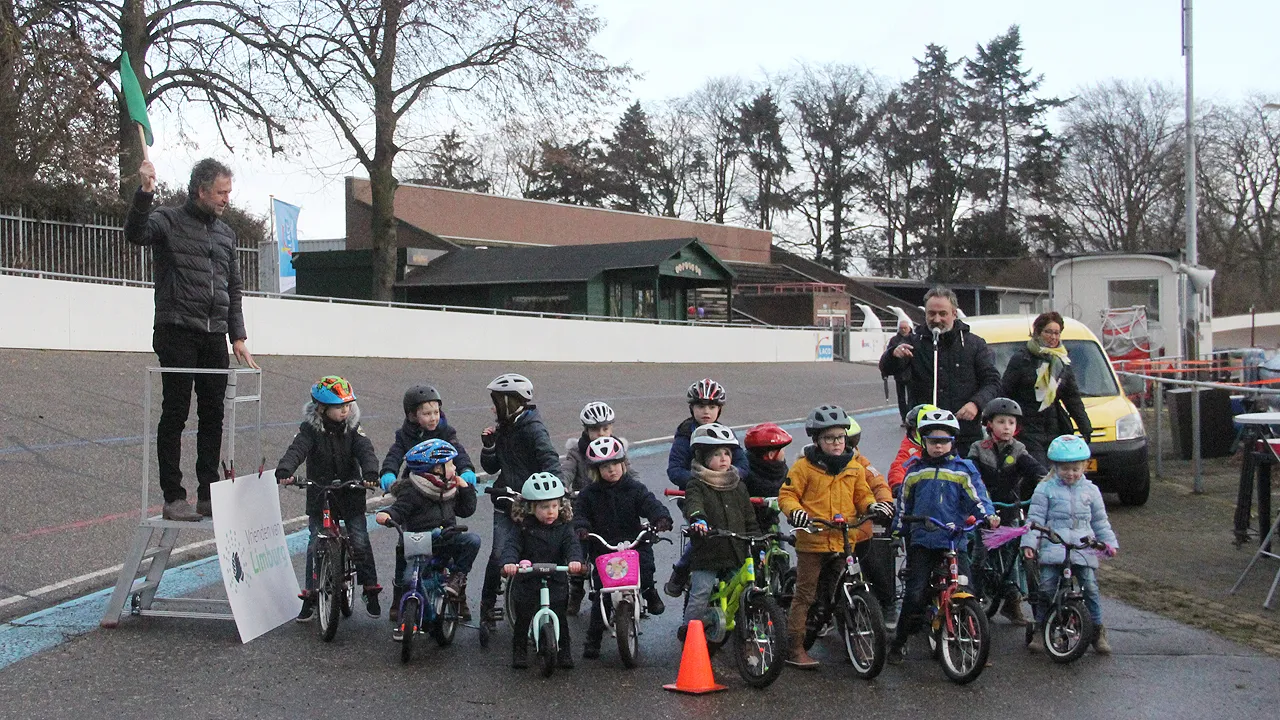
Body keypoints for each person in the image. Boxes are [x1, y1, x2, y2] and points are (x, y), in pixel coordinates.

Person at [125, 159, 258, 522]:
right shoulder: (167, 220)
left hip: (214, 334)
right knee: (176, 412)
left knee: (213, 413)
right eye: (221, 192)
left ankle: (208, 494)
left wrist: (238, 336)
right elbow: (135, 233)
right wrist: (145, 193)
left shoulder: (226, 234)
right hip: (176, 328)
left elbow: (233, 287)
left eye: (229, 193)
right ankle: (173, 496)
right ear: (200, 190)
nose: (226, 199)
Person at [779, 406, 892, 667]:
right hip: (814, 540)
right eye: (829, 438)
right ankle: (794, 648)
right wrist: (796, 513)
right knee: (805, 595)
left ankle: (854, 639)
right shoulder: (803, 467)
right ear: (817, 440)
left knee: (841, 592)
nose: (837, 443)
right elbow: (787, 495)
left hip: (844, 540)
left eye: (840, 437)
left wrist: (871, 507)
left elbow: (862, 494)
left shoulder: (853, 467)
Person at [888, 408, 998, 664]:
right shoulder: (914, 471)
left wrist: (987, 516)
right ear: (923, 441)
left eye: (944, 441)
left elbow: (977, 497)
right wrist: (897, 532)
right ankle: (899, 641)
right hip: (923, 541)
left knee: (967, 588)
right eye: (933, 441)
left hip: (953, 539)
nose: (938, 446)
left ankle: (974, 643)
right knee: (915, 593)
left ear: (953, 442)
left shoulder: (962, 470)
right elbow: (904, 505)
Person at [275, 376, 381, 621]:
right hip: (320, 494)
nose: (345, 410)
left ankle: (370, 588)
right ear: (322, 408)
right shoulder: (310, 430)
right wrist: (285, 470)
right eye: (338, 406)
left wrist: (371, 474)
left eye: (347, 405)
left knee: (360, 539)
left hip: (350, 493)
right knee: (315, 542)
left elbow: (366, 451)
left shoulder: (354, 429)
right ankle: (311, 595)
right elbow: (297, 449)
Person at [573, 436, 674, 658]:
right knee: (602, 594)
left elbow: (650, 503)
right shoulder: (589, 494)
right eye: (605, 467)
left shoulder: (634, 488)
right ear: (596, 471)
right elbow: (580, 514)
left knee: (645, 566)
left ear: (623, 464)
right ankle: (593, 639)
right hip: (604, 547)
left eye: (615, 465)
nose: (612, 470)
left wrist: (660, 518)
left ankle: (650, 592)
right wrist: (581, 528)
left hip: (633, 543)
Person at [479, 373, 563, 630]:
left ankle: (551, 601)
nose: (493, 407)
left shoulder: (532, 428)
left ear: (510, 402)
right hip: (506, 500)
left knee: (541, 552)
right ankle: (487, 605)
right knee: (498, 555)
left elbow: (549, 459)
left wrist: (558, 490)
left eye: (497, 401)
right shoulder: (505, 426)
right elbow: (491, 467)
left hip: (532, 502)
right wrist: (489, 446)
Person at [1021, 435, 1118, 655]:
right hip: (1054, 545)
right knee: (1046, 588)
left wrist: (1108, 543)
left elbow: (1100, 521)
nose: (1071, 473)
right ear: (1055, 467)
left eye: (1076, 468)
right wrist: (1030, 543)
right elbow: (1034, 519)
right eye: (1065, 469)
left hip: (1083, 547)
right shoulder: (1045, 489)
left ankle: (1097, 629)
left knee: (1090, 587)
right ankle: (1040, 626)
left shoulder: (1091, 491)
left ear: (1084, 466)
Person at [375, 439, 481, 640]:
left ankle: (457, 577)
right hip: (420, 543)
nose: (455, 467)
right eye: (450, 464)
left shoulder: (450, 487)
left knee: (472, 541)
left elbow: (466, 510)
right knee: (410, 579)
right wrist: (387, 515)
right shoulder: (412, 490)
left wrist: (465, 489)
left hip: (447, 538)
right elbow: (399, 510)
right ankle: (409, 618)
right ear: (436, 469)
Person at [878, 286, 1001, 456]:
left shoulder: (974, 345)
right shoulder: (913, 342)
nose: (936, 319)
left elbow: (992, 381)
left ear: (954, 314)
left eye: (943, 314)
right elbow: (886, 369)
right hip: (924, 437)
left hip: (964, 436)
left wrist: (976, 404)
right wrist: (893, 355)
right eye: (931, 314)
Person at [664, 378, 750, 596]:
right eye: (701, 406)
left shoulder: (725, 434)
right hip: (695, 494)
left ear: (719, 410)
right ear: (691, 408)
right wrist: (699, 482)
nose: (706, 411)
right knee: (702, 536)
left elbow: (742, 465)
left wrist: (728, 477)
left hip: (725, 493)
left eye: (712, 407)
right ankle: (682, 570)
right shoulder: (685, 434)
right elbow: (674, 469)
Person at [967, 397, 1046, 626]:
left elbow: (1036, 470)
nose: (1006, 427)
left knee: (1014, 558)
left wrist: (1047, 482)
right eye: (1001, 422)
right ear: (989, 424)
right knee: (979, 557)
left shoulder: (1019, 450)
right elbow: (970, 475)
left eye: (1011, 422)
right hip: (986, 511)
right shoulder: (978, 449)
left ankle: (1013, 603)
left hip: (1010, 510)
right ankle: (974, 598)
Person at [678, 423, 760, 640]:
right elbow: (694, 504)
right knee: (700, 593)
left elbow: (749, 517)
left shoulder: (738, 485)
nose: (724, 458)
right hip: (708, 552)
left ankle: (746, 631)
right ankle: (690, 634)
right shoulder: (697, 484)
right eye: (716, 454)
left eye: (727, 453)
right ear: (704, 458)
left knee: (745, 589)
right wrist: (698, 519)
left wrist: (757, 538)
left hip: (735, 552)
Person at [501, 473, 584, 670]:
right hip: (529, 577)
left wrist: (575, 561)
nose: (550, 512)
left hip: (555, 577)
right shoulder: (523, 528)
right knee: (524, 615)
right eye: (544, 507)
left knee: (560, 617)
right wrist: (510, 562)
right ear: (531, 508)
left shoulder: (564, 528)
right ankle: (519, 650)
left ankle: (564, 651)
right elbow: (511, 546)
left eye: (554, 506)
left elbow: (572, 545)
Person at [1001, 311, 1094, 467]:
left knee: (1056, 470)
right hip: (1027, 428)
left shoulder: (1061, 361)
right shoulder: (1022, 359)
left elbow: (1071, 397)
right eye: (1048, 332)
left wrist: (1084, 425)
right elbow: (1005, 391)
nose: (1053, 337)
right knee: (1039, 470)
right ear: (1038, 333)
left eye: (1056, 333)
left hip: (1054, 427)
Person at [561, 401, 627, 614]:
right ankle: (576, 588)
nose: (601, 434)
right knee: (577, 550)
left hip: (612, 509)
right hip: (584, 509)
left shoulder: (618, 451)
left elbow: (631, 476)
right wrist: (562, 487)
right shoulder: (577, 453)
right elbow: (567, 472)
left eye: (606, 429)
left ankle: (629, 591)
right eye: (595, 430)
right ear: (586, 430)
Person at [846, 415, 900, 624]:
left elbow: (879, 485)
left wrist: (884, 504)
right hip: (830, 531)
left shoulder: (863, 465)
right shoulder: (813, 466)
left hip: (859, 529)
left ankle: (887, 604)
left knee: (876, 565)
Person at [743, 422, 793, 530]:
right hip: (749, 526)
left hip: (771, 523)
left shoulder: (782, 471)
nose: (784, 453)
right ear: (771, 454)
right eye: (782, 450)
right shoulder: (746, 474)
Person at [886, 403, 937, 494]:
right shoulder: (910, 448)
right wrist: (898, 485)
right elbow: (898, 466)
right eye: (912, 431)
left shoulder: (947, 446)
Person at [880, 319, 915, 422]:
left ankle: (910, 417)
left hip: (911, 372)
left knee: (911, 396)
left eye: (905, 328)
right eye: (901, 328)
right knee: (901, 398)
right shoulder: (894, 340)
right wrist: (885, 372)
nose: (903, 330)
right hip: (899, 373)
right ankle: (904, 417)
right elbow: (887, 356)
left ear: (909, 328)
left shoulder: (914, 339)